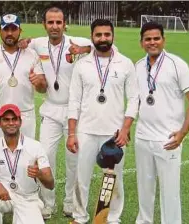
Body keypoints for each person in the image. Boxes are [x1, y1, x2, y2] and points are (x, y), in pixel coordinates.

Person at [22, 6, 92, 219]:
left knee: (74, 160)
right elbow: (23, 42)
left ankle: (70, 201)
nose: (55, 26)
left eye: (58, 22)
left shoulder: (75, 42)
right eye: (50, 22)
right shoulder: (38, 44)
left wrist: (84, 51)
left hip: (75, 112)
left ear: (64, 24)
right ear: (44, 25)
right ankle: (47, 202)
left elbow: (101, 44)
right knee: (45, 157)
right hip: (51, 109)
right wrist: (23, 42)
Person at [66, 19, 139, 224]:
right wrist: (72, 133)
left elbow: (134, 99)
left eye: (107, 34)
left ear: (112, 36)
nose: (103, 39)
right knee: (82, 179)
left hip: (114, 133)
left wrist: (125, 129)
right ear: (92, 37)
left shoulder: (125, 64)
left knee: (114, 180)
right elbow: (74, 101)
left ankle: (111, 218)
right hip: (86, 131)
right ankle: (80, 217)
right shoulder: (82, 65)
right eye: (98, 35)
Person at [134, 22, 189, 224]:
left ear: (163, 40)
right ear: (141, 42)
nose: (152, 42)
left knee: (170, 191)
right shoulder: (138, 66)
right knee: (144, 188)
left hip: (168, 139)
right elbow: (135, 101)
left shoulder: (177, 64)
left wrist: (182, 133)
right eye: (148, 39)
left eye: (156, 38)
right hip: (142, 138)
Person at [0, 104, 54, 224]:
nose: (11, 123)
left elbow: (51, 184)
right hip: (4, 195)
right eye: (6, 119)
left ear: (20, 122)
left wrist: (39, 174)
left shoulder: (35, 146)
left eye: (14, 119)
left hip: (28, 198)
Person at [0, 14, 47, 141]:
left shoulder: (31, 54)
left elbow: (43, 88)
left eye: (13, 29)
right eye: (6, 29)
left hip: (24, 115)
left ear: (20, 31)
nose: (9, 33)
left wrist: (39, 82)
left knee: (26, 156)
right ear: (0, 31)